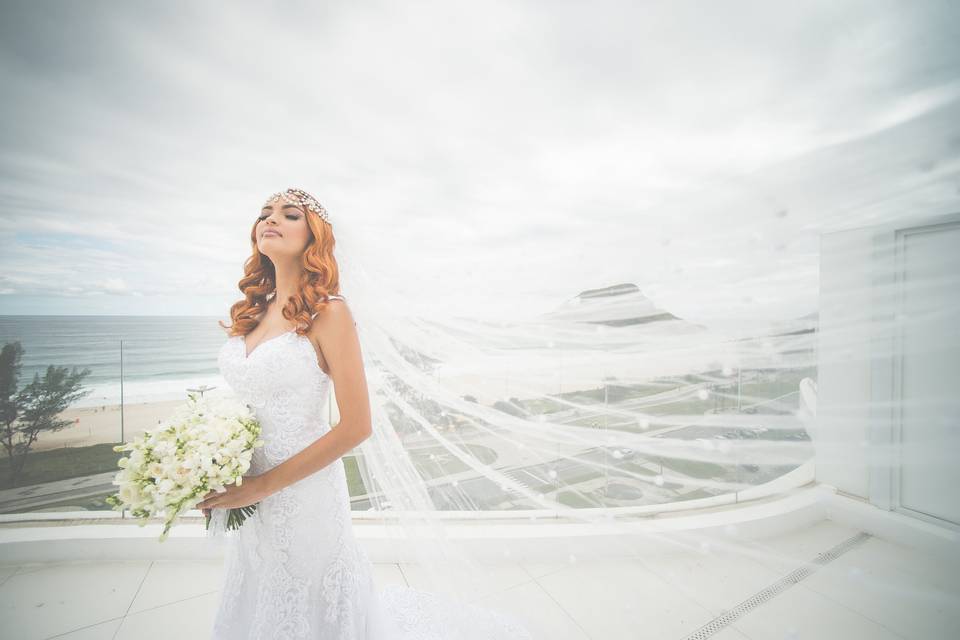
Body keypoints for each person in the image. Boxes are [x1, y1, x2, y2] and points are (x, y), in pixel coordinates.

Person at [197, 188, 532, 640]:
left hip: (304, 494)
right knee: (260, 587)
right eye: (264, 214)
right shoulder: (251, 312)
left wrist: (261, 485)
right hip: (249, 488)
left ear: (313, 236)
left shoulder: (329, 313)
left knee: (307, 595)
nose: (270, 219)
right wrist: (213, 461)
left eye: (289, 214)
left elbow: (357, 426)